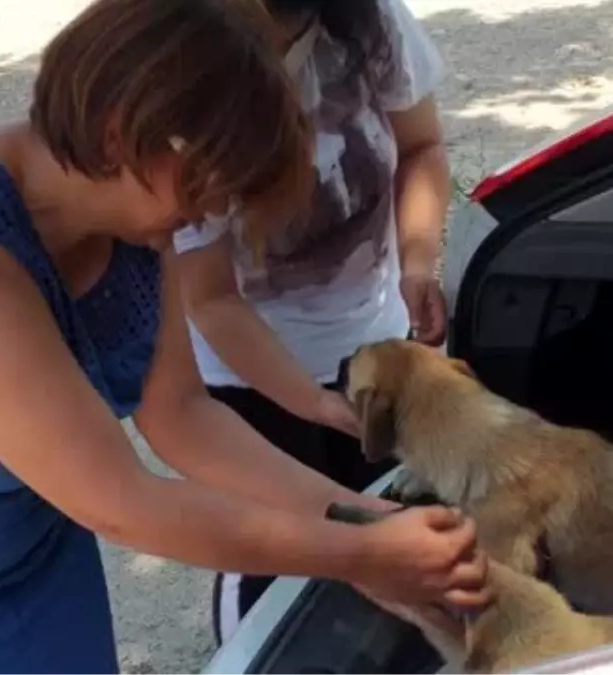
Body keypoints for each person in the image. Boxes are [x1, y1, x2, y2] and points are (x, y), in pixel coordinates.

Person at [0, 1, 490, 674]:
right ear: (127, 135)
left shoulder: (133, 217)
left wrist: (360, 523)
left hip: (13, 523)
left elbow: (184, 419)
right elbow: (121, 502)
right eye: (206, 190)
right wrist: (360, 554)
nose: (207, 216)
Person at [172, 0, 453, 643]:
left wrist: (416, 264)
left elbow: (422, 146)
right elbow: (210, 298)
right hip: (251, 382)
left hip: (378, 348)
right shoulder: (192, 72)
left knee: (391, 552)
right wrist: (311, 402)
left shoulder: (369, 19)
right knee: (277, 577)